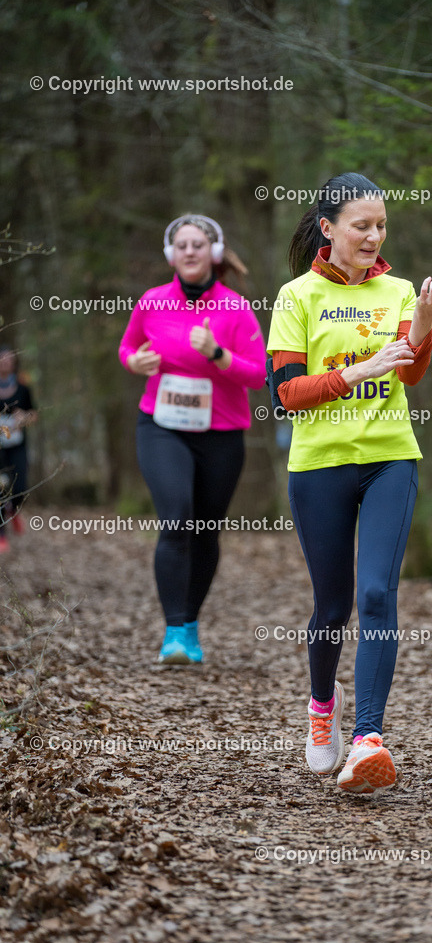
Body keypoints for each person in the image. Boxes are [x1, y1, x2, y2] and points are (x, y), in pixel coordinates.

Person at [267, 172, 432, 793]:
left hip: (388, 460)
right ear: (328, 228)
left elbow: (413, 372)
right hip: (318, 467)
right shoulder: (296, 298)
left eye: (381, 226)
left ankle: (368, 739)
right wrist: (357, 371)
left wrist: (423, 316)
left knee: (377, 595)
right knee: (332, 605)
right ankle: (323, 709)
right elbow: (288, 395)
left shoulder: (400, 290)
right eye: (362, 225)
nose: (374, 236)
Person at [119, 214, 266, 664]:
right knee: (178, 519)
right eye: (181, 244)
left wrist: (218, 355)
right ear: (171, 255)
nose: (188, 251)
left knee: (205, 530)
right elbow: (127, 348)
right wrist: (135, 363)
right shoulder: (152, 301)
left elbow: (259, 374)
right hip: (161, 426)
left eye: (197, 244)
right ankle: (173, 633)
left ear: (213, 253)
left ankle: (189, 626)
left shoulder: (236, 308)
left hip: (221, 433)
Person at [0, 346, 38, 553]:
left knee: (20, 485)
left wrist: (24, 418)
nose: (7, 362)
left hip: (18, 445)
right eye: (3, 359)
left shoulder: (23, 388)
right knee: (0, 486)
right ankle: (1, 533)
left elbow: (34, 414)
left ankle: (14, 509)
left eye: (10, 359)